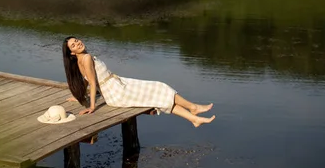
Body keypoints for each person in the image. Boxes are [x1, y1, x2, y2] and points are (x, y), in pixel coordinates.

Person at [62, 36, 215, 128]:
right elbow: (93, 83)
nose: (78, 43)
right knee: (160, 88)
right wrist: (92, 106)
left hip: (117, 85)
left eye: (77, 40)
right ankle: (193, 107)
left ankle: (193, 118)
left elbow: (87, 80)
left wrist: (79, 96)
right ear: (71, 52)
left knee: (159, 94)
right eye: (73, 45)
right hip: (116, 92)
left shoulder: (81, 59)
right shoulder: (87, 58)